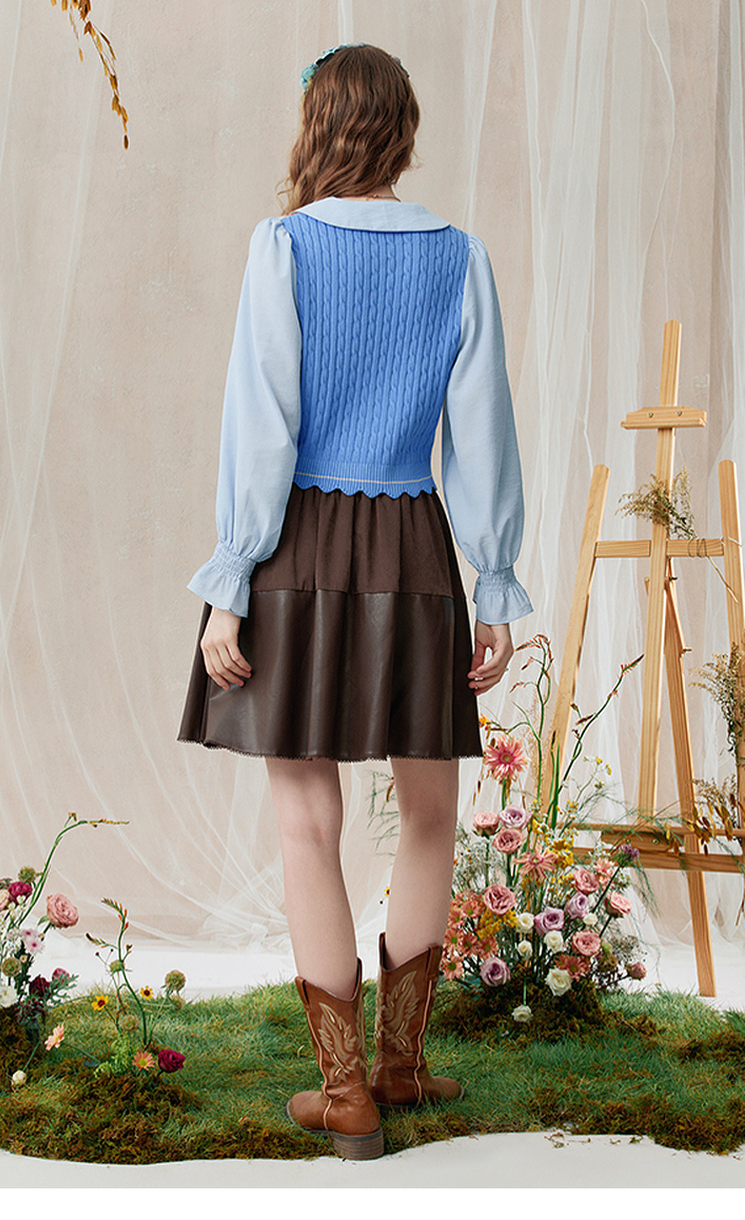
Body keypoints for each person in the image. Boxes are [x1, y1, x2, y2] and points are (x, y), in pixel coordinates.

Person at [179, 43, 532, 1161]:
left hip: (297, 548)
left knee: (307, 821)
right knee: (429, 809)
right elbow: (482, 434)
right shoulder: (461, 255)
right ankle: (401, 1065)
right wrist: (494, 582)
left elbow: (262, 425)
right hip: (418, 549)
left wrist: (229, 583)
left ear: (319, 126)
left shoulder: (283, 246)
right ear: (403, 131)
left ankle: (348, 1096)